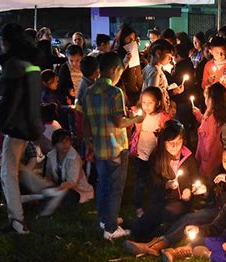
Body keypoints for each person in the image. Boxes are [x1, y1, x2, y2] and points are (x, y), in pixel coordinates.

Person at [124, 141, 226, 257]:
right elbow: (212, 192)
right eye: (225, 161)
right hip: (216, 210)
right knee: (188, 219)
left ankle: (161, 245)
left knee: (195, 224)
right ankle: (156, 243)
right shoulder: (219, 171)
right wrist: (204, 190)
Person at [77, 51, 142, 240]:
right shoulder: (115, 92)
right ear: (114, 70)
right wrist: (137, 118)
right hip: (116, 147)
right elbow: (119, 122)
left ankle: (105, 219)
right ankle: (111, 229)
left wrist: (88, 144)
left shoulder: (89, 91)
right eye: (120, 73)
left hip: (99, 147)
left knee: (103, 184)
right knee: (115, 188)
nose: (119, 76)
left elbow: (86, 122)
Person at [0, 23, 45, 234]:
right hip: (25, 125)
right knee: (13, 168)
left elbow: (10, 98)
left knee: (8, 173)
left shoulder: (14, 64)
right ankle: (47, 189)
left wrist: (2, 119)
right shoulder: (30, 62)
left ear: (6, 41)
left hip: (15, 126)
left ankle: (17, 222)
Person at [129, 120, 201, 238]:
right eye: (171, 142)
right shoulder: (156, 157)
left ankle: (167, 232)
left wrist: (189, 190)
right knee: (153, 214)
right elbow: (152, 184)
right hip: (160, 198)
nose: (175, 146)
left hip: (180, 201)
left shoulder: (188, 157)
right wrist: (165, 186)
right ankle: (139, 234)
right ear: (163, 142)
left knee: (167, 212)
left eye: (179, 141)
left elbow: (194, 178)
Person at [130, 87, 171, 218]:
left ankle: (157, 204)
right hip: (141, 154)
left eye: (150, 102)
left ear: (158, 103)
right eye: (144, 102)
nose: (146, 106)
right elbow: (134, 132)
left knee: (157, 181)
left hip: (156, 155)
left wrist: (162, 133)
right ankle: (138, 206)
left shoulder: (163, 117)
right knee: (140, 181)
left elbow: (169, 133)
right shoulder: (141, 116)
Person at [39, 129, 94, 216]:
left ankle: (54, 201)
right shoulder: (51, 156)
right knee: (45, 190)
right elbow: (48, 175)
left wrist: (58, 189)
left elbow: (73, 182)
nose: (65, 144)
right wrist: (49, 186)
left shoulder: (74, 157)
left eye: (67, 141)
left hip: (75, 188)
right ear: (55, 144)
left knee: (68, 195)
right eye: (61, 142)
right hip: (58, 186)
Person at [202, 36, 226, 143]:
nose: (221, 55)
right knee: (213, 126)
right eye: (217, 52)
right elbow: (203, 85)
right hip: (213, 102)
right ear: (210, 51)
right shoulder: (208, 66)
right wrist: (208, 82)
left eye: (223, 51)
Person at [193, 82, 226, 178]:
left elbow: (209, 136)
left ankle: (208, 189)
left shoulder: (211, 117)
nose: (205, 99)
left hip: (208, 149)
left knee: (206, 173)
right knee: (214, 169)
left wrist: (206, 154)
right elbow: (207, 126)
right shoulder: (215, 113)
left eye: (206, 97)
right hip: (216, 147)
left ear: (211, 100)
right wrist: (199, 115)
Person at [142, 39, 183, 115]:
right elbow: (153, 93)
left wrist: (173, 91)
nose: (170, 59)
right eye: (168, 56)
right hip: (157, 112)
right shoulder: (155, 71)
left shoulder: (148, 67)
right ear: (158, 53)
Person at [114, 24, 143, 108]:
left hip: (136, 91)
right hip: (125, 93)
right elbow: (116, 75)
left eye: (133, 39)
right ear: (123, 38)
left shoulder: (135, 52)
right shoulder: (117, 54)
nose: (132, 42)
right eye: (129, 39)